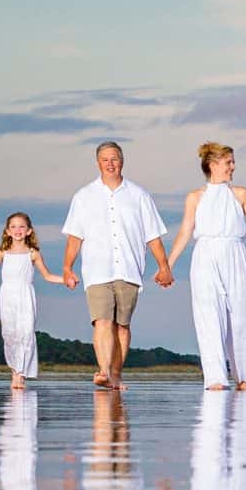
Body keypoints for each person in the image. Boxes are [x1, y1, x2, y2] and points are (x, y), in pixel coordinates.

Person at [166, 142, 246, 392]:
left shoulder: (240, 194)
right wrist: (167, 265)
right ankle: (216, 378)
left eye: (233, 162)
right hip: (205, 256)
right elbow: (185, 231)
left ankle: (243, 376)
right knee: (208, 315)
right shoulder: (195, 197)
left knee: (243, 314)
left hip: (235, 254)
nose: (233, 166)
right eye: (228, 162)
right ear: (213, 165)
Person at [60, 141, 173, 392]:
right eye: (105, 159)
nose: (110, 164)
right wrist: (68, 268)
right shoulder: (83, 196)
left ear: (122, 161)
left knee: (122, 325)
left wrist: (164, 267)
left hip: (129, 269)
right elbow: (74, 237)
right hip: (96, 270)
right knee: (102, 321)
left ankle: (116, 374)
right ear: (98, 163)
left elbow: (153, 237)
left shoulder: (139, 195)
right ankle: (103, 371)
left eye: (114, 159)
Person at [0, 212, 66, 391]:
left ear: (29, 231)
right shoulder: (3, 252)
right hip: (7, 296)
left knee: (26, 332)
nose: (17, 230)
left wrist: (66, 280)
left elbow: (47, 276)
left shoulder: (33, 253)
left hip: (25, 296)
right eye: (13, 226)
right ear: (7, 231)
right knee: (10, 334)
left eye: (22, 226)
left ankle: (20, 376)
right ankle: (15, 371)